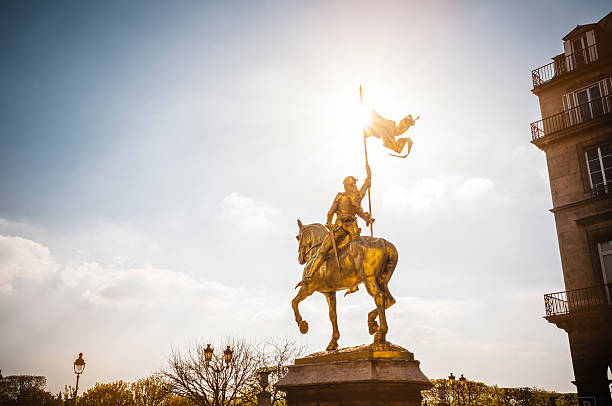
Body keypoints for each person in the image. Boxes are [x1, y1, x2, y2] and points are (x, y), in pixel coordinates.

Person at [302, 165, 374, 287]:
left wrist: (369, 175)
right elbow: (330, 212)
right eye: (351, 185)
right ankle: (310, 274)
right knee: (323, 250)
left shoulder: (356, 196)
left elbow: (365, 188)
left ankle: (354, 281)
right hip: (340, 228)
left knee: (356, 251)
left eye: (354, 185)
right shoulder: (341, 196)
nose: (353, 187)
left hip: (351, 228)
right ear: (346, 186)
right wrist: (329, 222)